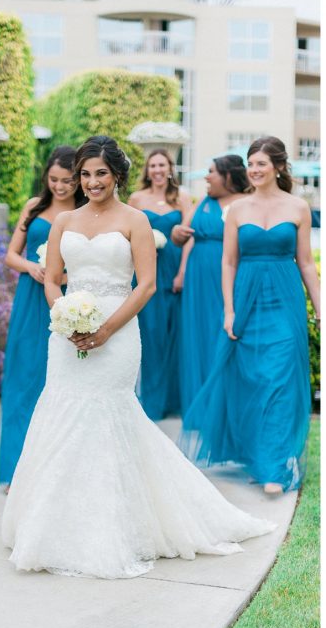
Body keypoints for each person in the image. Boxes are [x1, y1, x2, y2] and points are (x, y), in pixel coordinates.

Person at [1, 135, 276, 579]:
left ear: (117, 175)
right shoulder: (63, 221)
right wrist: (65, 316)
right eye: (85, 174)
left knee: (110, 417)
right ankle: (53, 525)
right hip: (67, 335)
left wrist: (106, 329)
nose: (91, 182)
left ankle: (115, 526)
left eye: (100, 174)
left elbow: (145, 285)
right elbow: (53, 280)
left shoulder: (136, 220)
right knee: (62, 415)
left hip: (119, 331)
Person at [180, 136, 320, 494]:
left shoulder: (298, 207)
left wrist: (321, 310)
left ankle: (274, 468)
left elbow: (306, 264)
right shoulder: (237, 210)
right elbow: (229, 262)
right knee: (252, 379)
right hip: (246, 300)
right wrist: (228, 310)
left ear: (278, 167)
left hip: (284, 300)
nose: (254, 170)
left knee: (279, 380)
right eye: (251, 164)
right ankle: (257, 457)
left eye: (261, 163)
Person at [0, 146, 85, 486]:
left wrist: (62, 277)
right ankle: (15, 471)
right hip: (29, 298)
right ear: (46, 177)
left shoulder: (83, 212)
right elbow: (10, 255)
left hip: (67, 299)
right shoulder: (34, 207)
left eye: (67, 181)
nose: (61, 187)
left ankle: (54, 472)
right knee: (23, 377)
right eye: (54, 180)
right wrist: (34, 268)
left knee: (59, 380)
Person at [171, 155, 250, 414]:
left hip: (227, 275)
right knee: (197, 333)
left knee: (221, 333)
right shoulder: (204, 202)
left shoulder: (245, 203)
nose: (206, 177)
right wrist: (176, 235)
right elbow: (182, 235)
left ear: (228, 176)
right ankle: (199, 405)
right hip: (197, 279)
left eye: (212, 172)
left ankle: (223, 405)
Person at [128, 149, 192, 419]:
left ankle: (173, 401)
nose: (156, 170)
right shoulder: (137, 198)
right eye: (152, 165)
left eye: (161, 165)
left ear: (169, 168)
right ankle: (152, 401)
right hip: (146, 271)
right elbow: (125, 234)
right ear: (147, 169)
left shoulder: (183, 198)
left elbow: (190, 237)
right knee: (150, 334)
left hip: (174, 270)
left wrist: (182, 273)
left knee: (175, 334)